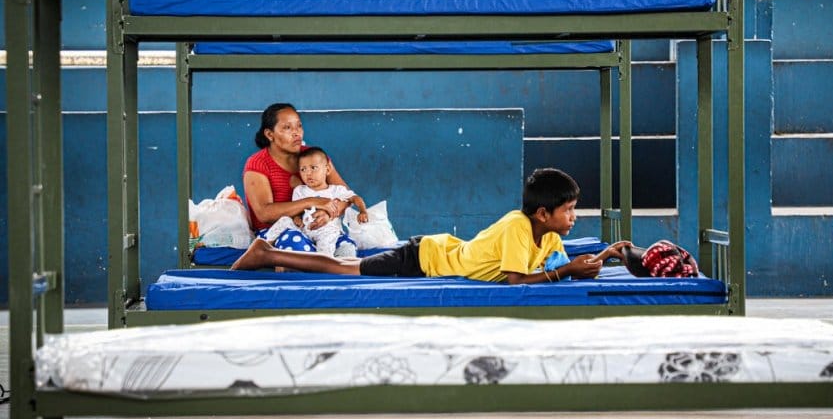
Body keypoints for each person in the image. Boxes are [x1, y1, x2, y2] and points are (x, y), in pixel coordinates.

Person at [232, 167, 631, 283]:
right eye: (570, 211)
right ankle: (266, 251)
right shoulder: (517, 227)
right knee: (342, 269)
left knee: (345, 268)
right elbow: (515, 283)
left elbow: (559, 263)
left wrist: (602, 257)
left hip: (433, 252)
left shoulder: (545, 238)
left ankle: (267, 253)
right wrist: (567, 271)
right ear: (543, 213)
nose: (574, 218)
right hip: (424, 257)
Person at [243, 103, 354, 251]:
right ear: (270, 134)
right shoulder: (258, 164)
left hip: (318, 227)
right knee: (296, 246)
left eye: (299, 126)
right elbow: (264, 214)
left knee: (347, 249)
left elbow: (347, 196)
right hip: (278, 231)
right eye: (287, 128)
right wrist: (312, 201)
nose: (297, 133)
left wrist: (328, 213)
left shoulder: (315, 157)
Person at [263, 146, 369, 256]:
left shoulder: (336, 190)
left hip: (326, 231)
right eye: (303, 169)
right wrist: (297, 218)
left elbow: (355, 198)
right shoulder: (300, 191)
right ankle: (265, 245)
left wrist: (362, 211)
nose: (308, 173)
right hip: (305, 230)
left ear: (327, 169)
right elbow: (296, 211)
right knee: (285, 220)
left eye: (313, 168)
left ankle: (323, 260)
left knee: (330, 237)